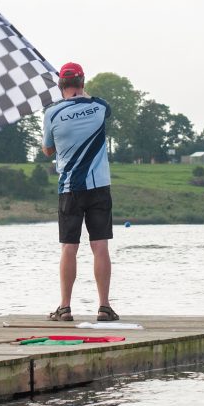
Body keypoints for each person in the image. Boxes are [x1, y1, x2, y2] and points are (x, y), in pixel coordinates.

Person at [42, 62, 118, 322]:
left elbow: (47, 150)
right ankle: (104, 307)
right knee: (100, 246)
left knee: (69, 248)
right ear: (83, 82)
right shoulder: (98, 107)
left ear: (60, 85)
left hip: (70, 188)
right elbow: (105, 107)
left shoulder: (51, 114)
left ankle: (64, 308)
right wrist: (85, 95)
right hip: (99, 186)